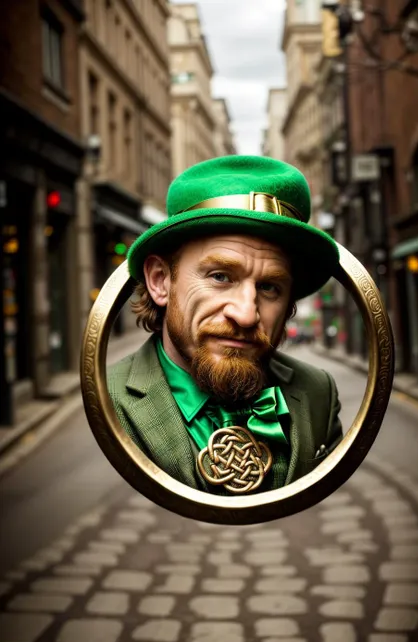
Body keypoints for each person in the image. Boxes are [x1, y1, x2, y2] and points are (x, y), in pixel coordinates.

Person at [107, 155, 343, 495]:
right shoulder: (106, 398)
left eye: (269, 287)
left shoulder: (319, 393)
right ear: (160, 280)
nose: (246, 315)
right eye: (220, 277)